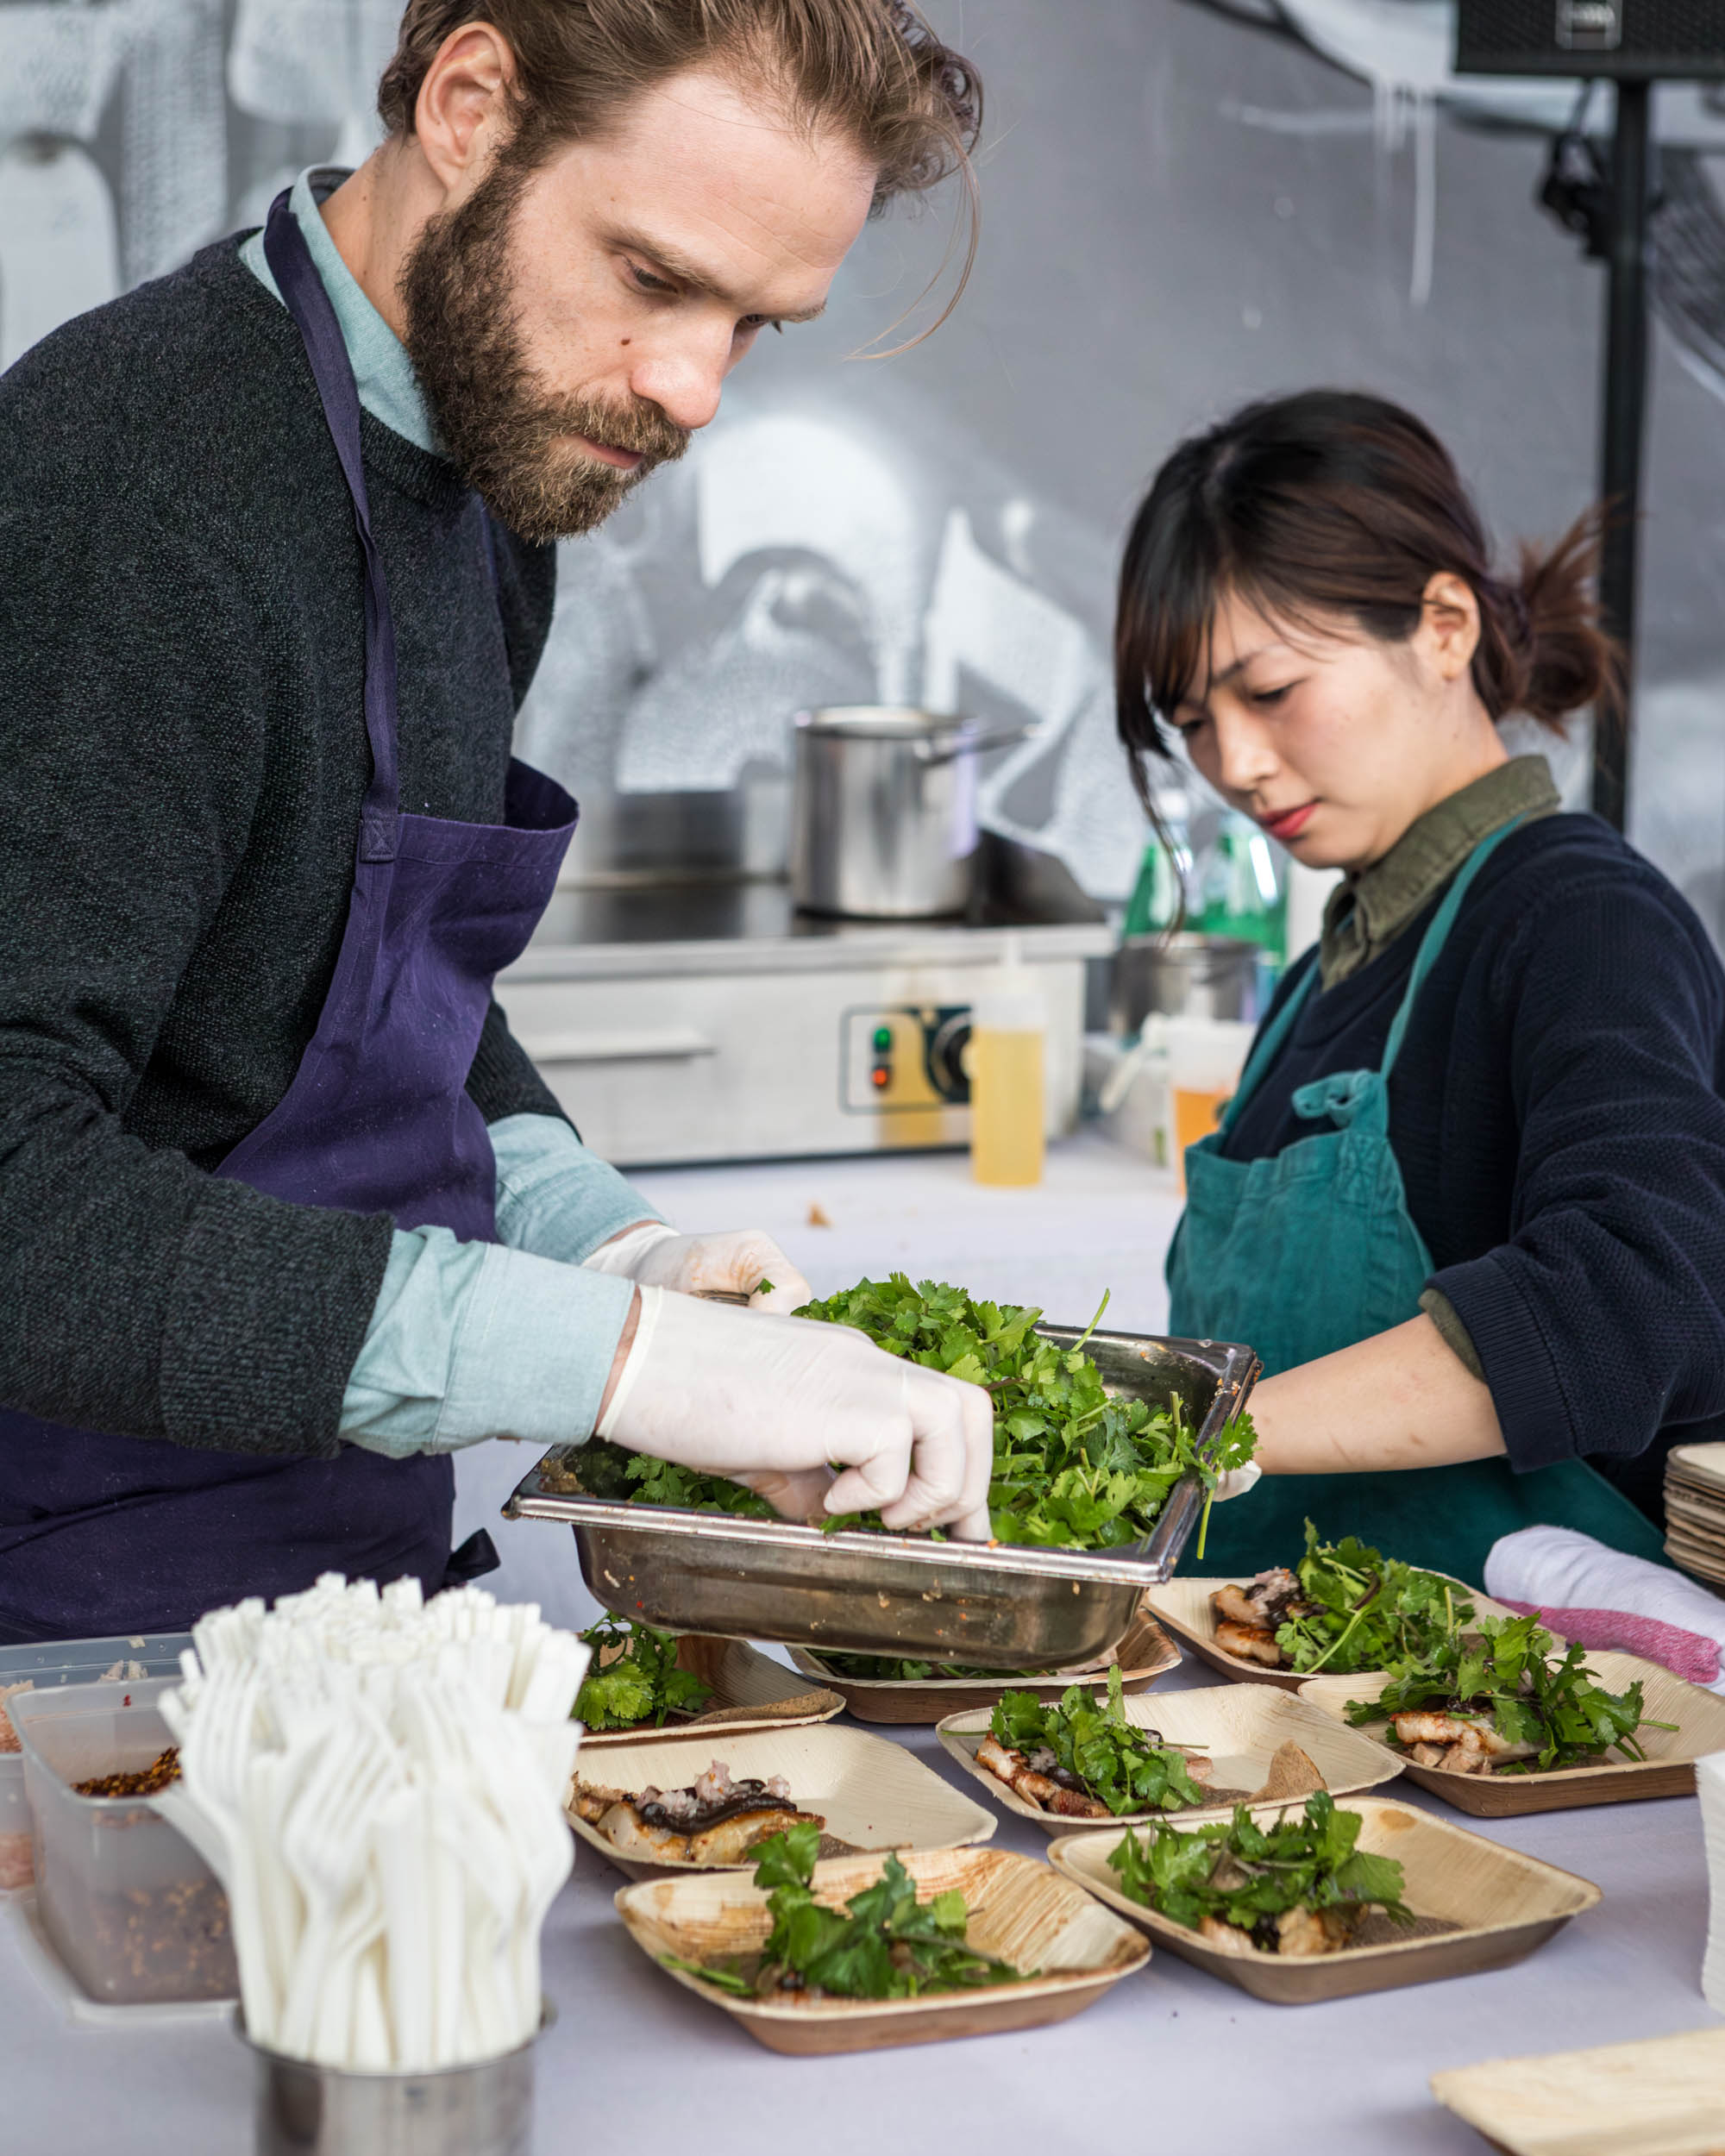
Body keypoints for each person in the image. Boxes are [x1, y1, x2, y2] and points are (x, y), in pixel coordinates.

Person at [0, 0, 995, 1641]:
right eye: (655, 277)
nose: (689, 391)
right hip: (68, 1623)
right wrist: (622, 1369)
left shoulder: (489, 476)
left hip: (333, 1586)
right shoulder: (131, 479)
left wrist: (619, 1255)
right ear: (468, 103)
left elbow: (382, 1005)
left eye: (754, 325)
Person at [1115, 389, 1725, 1585]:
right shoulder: (1320, 978)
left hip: (1521, 1711)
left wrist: (1207, 1435)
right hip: (1284, 1688)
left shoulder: (1583, 920)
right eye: (1194, 722)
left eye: (1272, 691)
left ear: (1443, 625)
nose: (1234, 764)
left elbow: (1642, 1288)